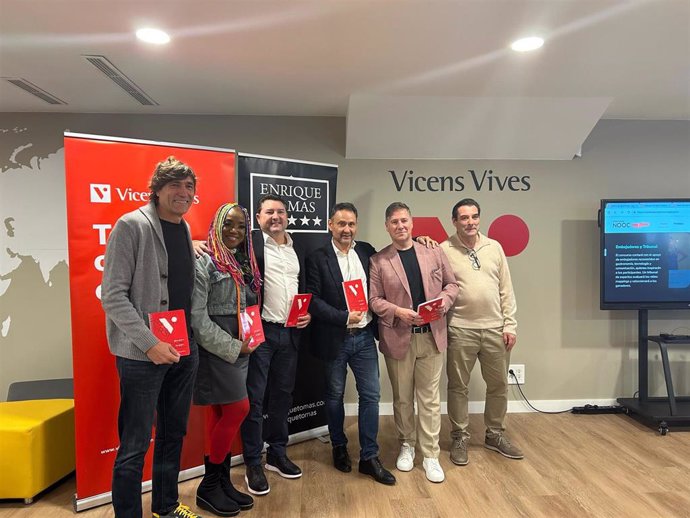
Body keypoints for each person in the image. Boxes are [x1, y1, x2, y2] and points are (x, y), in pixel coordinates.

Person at [101, 156, 203, 518]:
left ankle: (166, 506)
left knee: (173, 435)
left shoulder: (185, 229)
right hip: (143, 355)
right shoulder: (131, 226)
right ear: (157, 190)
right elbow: (112, 296)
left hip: (182, 349)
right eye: (175, 185)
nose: (184, 192)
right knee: (133, 445)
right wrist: (150, 343)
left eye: (189, 187)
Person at [305, 202, 396, 486]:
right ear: (330, 225)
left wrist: (421, 241)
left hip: (365, 337)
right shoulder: (316, 257)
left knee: (371, 396)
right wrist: (343, 317)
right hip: (336, 337)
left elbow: (395, 256)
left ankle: (369, 456)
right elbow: (312, 299)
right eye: (341, 224)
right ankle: (339, 446)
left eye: (351, 224)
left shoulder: (367, 251)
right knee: (334, 396)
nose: (347, 229)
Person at [369, 202, 458, 484]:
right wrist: (398, 312)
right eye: (394, 222)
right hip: (398, 337)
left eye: (404, 221)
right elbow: (374, 300)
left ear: (412, 222)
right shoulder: (379, 261)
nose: (400, 226)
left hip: (431, 336)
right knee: (403, 397)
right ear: (387, 226)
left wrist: (443, 304)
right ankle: (407, 444)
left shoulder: (433, 251)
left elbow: (452, 285)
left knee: (430, 399)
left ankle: (430, 454)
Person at [191, 203, 262, 516]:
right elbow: (197, 320)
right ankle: (209, 485)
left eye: (240, 227)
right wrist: (234, 347)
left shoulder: (241, 261)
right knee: (238, 408)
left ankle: (219, 482)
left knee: (220, 413)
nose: (234, 231)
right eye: (228, 224)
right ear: (216, 224)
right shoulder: (203, 261)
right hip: (218, 351)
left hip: (239, 350)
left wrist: (250, 339)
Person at [441, 198, 523, 467]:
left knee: (499, 385)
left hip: (495, 329)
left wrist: (509, 324)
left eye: (474, 217)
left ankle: (495, 434)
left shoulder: (494, 248)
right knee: (458, 387)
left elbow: (506, 290)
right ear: (454, 221)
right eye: (464, 218)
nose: (470, 222)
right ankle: (460, 437)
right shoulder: (444, 250)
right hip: (460, 329)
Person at [240, 194, 311, 496]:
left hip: (291, 333)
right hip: (261, 334)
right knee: (255, 400)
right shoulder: (250, 246)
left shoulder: (297, 248)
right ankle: (253, 461)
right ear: (258, 218)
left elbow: (302, 288)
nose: (276, 217)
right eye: (269, 212)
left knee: (283, 395)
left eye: (281, 212)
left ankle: (277, 453)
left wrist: (305, 314)